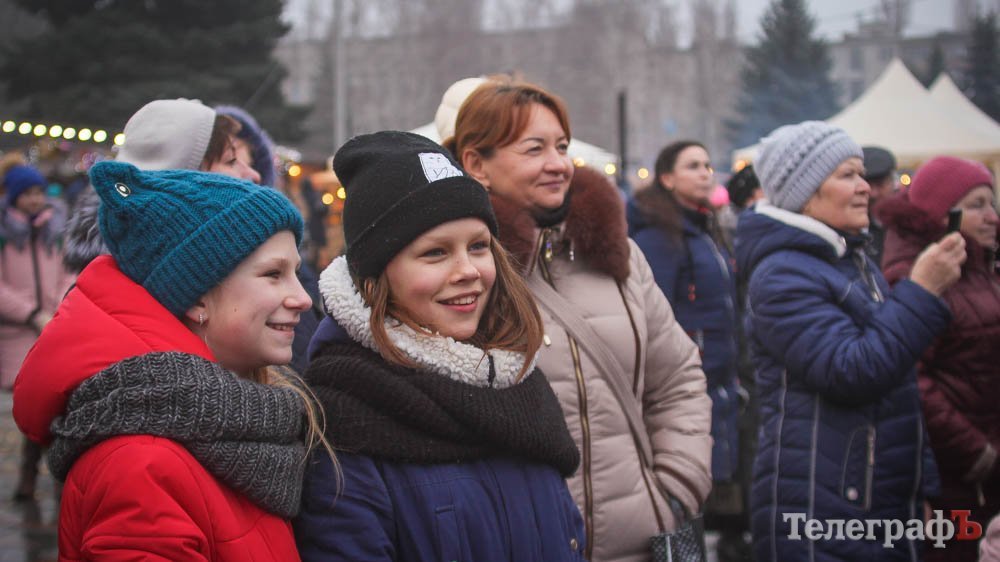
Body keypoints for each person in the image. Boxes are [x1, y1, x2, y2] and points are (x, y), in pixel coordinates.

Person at [445, 76, 712, 562]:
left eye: (562, 146)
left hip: (643, 540)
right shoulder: (461, 275)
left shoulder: (618, 256)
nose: (558, 164)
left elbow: (678, 378)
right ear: (477, 164)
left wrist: (677, 485)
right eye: (534, 149)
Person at [13, 161, 327, 560]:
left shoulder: (234, 422)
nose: (302, 298)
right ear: (197, 297)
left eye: (296, 272)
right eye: (273, 274)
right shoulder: (141, 467)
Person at [294, 131, 585, 561]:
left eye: (478, 246)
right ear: (374, 277)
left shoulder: (521, 386)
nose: (468, 270)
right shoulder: (345, 425)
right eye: (435, 253)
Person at [734, 121, 966, 561]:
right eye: (847, 175)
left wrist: (921, 487)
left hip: (874, 496)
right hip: (822, 505)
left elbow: (900, 387)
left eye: (862, 174)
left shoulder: (847, 258)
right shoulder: (781, 274)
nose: (865, 187)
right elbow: (853, 371)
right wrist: (921, 290)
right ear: (805, 193)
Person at [876, 156, 1000, 561]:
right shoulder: (920, 274)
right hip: (955, 478)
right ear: (942, 213)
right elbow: (911, 376)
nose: (992, 216)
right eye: (977, 205)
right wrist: (976, 452)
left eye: (992, 202)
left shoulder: (982, 266)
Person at [626, 141, 745, 558]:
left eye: (708, 164)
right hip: (681, 387)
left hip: (717, 384)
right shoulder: (659, 237)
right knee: (683, 499)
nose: (705, 172)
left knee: (708, 497)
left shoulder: (703, 228)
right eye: (693, 166)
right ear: (667, 178)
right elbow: (655, 317)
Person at [0, 156, 73, 501]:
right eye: (27, 193)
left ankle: (49, 473)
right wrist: (32, 313)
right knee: (32, 405)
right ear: (14, 196)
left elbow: (67, 272)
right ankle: (31, 472)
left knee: (55, 402)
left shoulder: (54, 230)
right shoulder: (4, 234)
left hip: (53, 326)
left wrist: (59, 306)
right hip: (18, 331)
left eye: (38, 192)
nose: (34, 199)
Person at [861, 146, 897, 265]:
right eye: (868, 185)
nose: (873, 194)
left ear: (893, 182)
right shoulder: (852, 228)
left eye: (880, 185)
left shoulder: (908, 226)